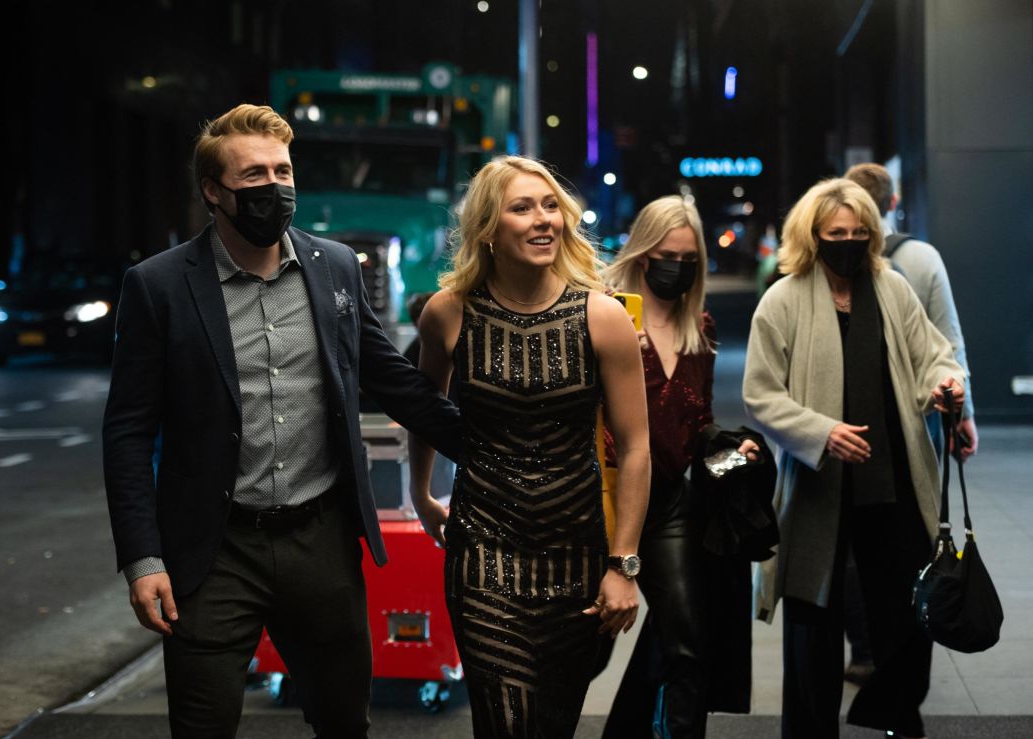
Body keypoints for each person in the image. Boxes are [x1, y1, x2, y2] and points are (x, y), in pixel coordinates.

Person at [102, 103, 462, 738]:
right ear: (214, 191)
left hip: (318, 540)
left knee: (344, 723)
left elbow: (395, 384)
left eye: (283, 170)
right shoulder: (157, 287)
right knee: (203, 725)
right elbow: (128, 432)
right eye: (253, 175)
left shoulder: (337, 268)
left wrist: (502, 440)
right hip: (212, 553)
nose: (274, 187)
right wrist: (143, 559)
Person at [408, 155, 651, 738]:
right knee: (505, 725)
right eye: (522, 208)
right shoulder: (447, 314)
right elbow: (423, 412)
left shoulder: (603, 317)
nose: (544, 221)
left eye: (550, 207)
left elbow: (636, 447)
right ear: (488, 227)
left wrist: (624, 565)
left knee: (551, 726)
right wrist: (420, 494)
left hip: (578, 557)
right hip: (483, 553)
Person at [743, 178, 965, 739]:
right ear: (813, 236)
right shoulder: (784, 298)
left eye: (858, 232)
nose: (847, 241)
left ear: (872, 235)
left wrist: (946, 386)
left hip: (892, 481)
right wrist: (820, 432)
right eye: (835, 233)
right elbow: (761, 394)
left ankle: (890, 716)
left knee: (909, 621)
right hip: (820, 489)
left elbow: (933, 357)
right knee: (813, 629)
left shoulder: (891, 289)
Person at [597, 195, 760, 739]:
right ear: (643, 253)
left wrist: (731, 449)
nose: (678, 267)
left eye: (690, 259)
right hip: (600, 499)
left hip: (667, 503)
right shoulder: (604, 313)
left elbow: (700, 422)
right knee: (586, 653)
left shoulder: (701, 328)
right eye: (668, 254)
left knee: (689, 646)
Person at [844, 162, 977, 461]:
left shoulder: (826, 256)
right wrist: (963, 412)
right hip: (916, 409)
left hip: (846, 413)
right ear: (892, 202)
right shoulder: (924, 257)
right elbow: (948, 339)